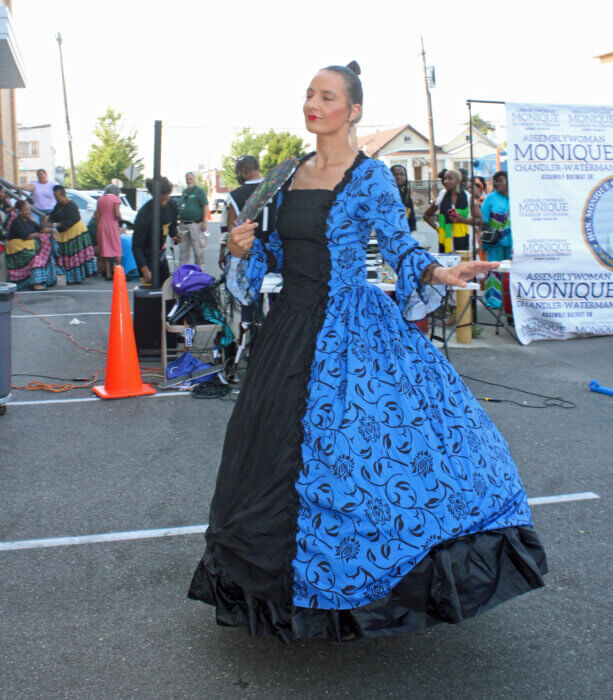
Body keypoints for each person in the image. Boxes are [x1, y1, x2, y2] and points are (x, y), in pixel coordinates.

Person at [188, 62, 547, 643]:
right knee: (271, 452)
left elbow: (401, 247)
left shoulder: (371, 176)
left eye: (326, 96)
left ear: (351, 110)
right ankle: (275, 588)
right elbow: (269, 258)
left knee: (363, 454)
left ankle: (362, 587)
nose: (312, 103)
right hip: (289, 329)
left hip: (351, 326)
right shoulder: (282, 175)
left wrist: (440, 270)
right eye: (308, 93)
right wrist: (241, 246)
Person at [132, 177, 181, 285]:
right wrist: (144, 270)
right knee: (151, 297)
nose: (163, 203)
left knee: (167, 291)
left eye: (166, 199)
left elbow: (172, 227)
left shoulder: (172, 206)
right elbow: (136, 246)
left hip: (161, 256)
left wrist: (175, 236)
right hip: (147, 258)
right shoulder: (144, 214)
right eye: (160, 199)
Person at [423, 168, 483, 253]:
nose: (446, 181)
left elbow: (480, 221)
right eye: (445, 179)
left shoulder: (468, 197)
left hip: (466, 242)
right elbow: (426, 215)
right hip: (446, 242)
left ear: (458, 181)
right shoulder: (441, 196)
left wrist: (462, 220)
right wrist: (438, 229)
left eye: (450, 178)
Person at [49, 185, 97, 283]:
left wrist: (56, 224)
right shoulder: (58, 205)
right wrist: (50, 219)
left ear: (62, 195)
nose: (56, 199)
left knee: (76, 258)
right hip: (66, 235)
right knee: (69, 258)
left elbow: (71, 220)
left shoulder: (71, 205)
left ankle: (78, 277)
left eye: (57, 196)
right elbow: (53, 215)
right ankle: (71, 277)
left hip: (76, 234)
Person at [6, 201, 57, 290]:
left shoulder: (30, 221)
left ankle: (46, 280)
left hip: (27, 247)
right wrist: (38, 234)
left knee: (46, 248)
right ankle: (36, 284)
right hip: (18, 251)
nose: (28, 212)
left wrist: (52, 230)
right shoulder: (16, 222)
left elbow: (41, 229)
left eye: (29, 210)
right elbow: (27, 236)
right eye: (26, 210)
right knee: (35, 259)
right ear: (20, 211)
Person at [480, 171, 512, 309]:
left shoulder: (517, 196)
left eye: (501, 180)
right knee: (494, 270)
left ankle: (511, 301)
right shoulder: (490, 198)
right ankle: (493, 301)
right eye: (496, 181)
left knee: (513, 272)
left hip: (513, 242)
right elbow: (483, 219)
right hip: (495, 241)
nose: (498, 183)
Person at [177, 172, 208, 268]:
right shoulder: (184, 192)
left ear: (194, 179)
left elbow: (205, 206)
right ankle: (182, 270)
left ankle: (199, 269)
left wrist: (204, 222)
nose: (188, 181)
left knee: (198, 249)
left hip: (195, 224)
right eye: (187, 179)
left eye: (190, 178)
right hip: (183, 224)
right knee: (183, 249)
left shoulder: (200, 191)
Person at [94, 184, 123, 280]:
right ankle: (118, 272)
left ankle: (108, 274)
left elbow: (97, 216)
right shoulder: (115, 199)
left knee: (105, 249)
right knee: (117, 249)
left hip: (102, 226)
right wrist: (121, 218)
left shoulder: (100, 199)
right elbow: (117, 214)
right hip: (112, 226)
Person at [390, 164, 417, 232]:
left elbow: (411, 217)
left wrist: (412, 227)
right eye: (395, 174)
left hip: (405, 233)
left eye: (402, 174)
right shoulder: (386, 195)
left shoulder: (406, 195)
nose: (399, 177)